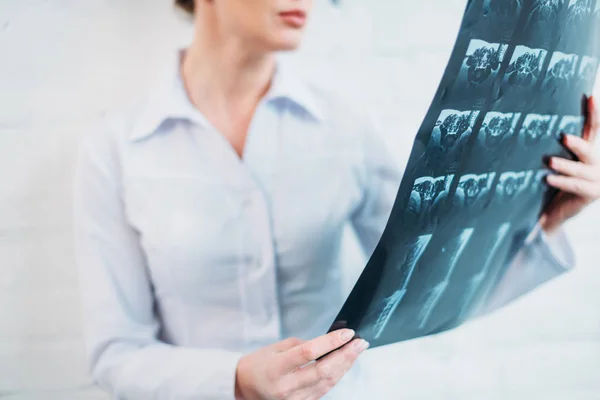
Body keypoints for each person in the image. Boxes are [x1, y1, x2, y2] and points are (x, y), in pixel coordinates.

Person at [73, 0, 600, 399]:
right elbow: (115, 353)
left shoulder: (346, 129)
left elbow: (430, 284)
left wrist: (541, 220)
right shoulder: (116, 152)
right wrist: (234, 379)